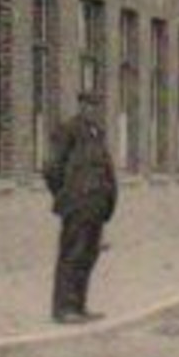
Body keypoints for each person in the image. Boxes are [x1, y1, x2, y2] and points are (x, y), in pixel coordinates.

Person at [42, 91, 118, 324]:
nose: (93, 110)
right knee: (72, 255)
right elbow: (52, 167)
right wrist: (66, 195)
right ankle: (63, 309)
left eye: (96, 106)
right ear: (81, 106)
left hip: (96, 207)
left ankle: (79, 306)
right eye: (88, 105)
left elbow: (105, 170)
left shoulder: (97, 134)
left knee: (87, 256)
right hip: (77, 205)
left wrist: (107, 201)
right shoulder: (69, 130)